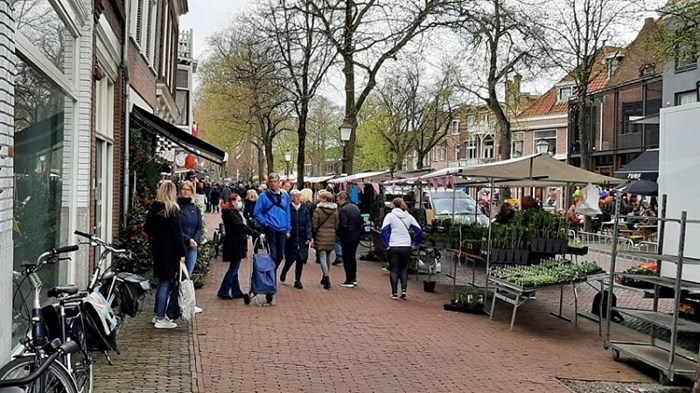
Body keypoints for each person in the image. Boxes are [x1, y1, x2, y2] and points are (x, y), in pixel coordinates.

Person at [145, 181, 187, 329]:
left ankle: (157, 313)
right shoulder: (172, 210)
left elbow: (147, 229)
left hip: (158, 249)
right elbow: (177, 235)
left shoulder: (154, 208)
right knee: (166, 283)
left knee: (163, 281)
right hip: (170, 251)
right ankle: (161, 317)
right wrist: (182, 253)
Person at [218, 193, 263, 300]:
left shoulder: (231, 212)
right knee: (233, 268)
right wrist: (256, 233)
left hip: (235, 242)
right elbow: (241, 226)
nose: (240, 203)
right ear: (233, 202)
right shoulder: (230, 213)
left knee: (235, 268)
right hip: (235, 243)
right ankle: (223, 290)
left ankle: (236, 291)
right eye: (238, 201)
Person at [381, 197, 423, 300]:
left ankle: (394, 293)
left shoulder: (390, 216)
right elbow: (419, 230)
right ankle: (404, 290)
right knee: (403, 269)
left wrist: (386, 245)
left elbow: (384, 231)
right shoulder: (409, 216)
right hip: (406, 245)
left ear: (393, 205)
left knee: (394, 269)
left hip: (394, 245)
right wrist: (416, 244)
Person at [254, 173, 291, 268]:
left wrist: (288, 228)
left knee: (280, 255)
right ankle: (271, 276)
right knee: (273, 255)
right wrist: (265, 223)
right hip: (270, 228)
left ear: (279, 182)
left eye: (275, 181)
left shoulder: (285, 195)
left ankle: (271, 271)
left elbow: (288, 212)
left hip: (282, 228)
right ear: (268, 183)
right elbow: (257, 212)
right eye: (271, 182)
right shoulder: (263, 196)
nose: (273, 184)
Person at [177, 181, 204, 314]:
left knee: (188, 275)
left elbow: (199, 227)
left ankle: (187, 303)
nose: (185, 191)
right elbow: (176, 228)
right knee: (179, 276)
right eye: (183, 189)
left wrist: (196, 240)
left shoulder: (195, 208)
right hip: (180, 245)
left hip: (192, 246)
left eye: (188, 189)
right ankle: (176, 304)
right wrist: (188, 239)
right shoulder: (176, 207)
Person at [280, 189, 312, 289]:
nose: (298, 198)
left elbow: (308, 223)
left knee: (300, 259)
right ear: (292, 198)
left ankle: (298, 280)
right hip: (291, 237)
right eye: (296, 196)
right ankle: (284, 271)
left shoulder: (304, 209)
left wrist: (308, 236)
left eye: (299, 196)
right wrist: (286, 231)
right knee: (290, 258)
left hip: (302, 237)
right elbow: (284, 221)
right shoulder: (288, 208)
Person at [312, 190, 339, 290]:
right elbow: (337, 224)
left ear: (323, 198)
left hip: (320, 234)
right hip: (331, 234)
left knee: (322, 256)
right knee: (328, 256)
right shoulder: (335, 210)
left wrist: (314, 233)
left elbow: (315, 224)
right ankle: (325, 276)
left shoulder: (318, 210)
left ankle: (326, 277)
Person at [337, 191, 363, 288]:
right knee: (352, 257)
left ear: (341, 199)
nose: (337, 202)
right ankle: (354, 278)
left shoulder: (343, 210)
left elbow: (344, 225)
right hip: (356, 236)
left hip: (347, 237)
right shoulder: (355, 207)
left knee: (347, 258)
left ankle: (349, 279)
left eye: (338, 200)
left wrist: (340, 235)